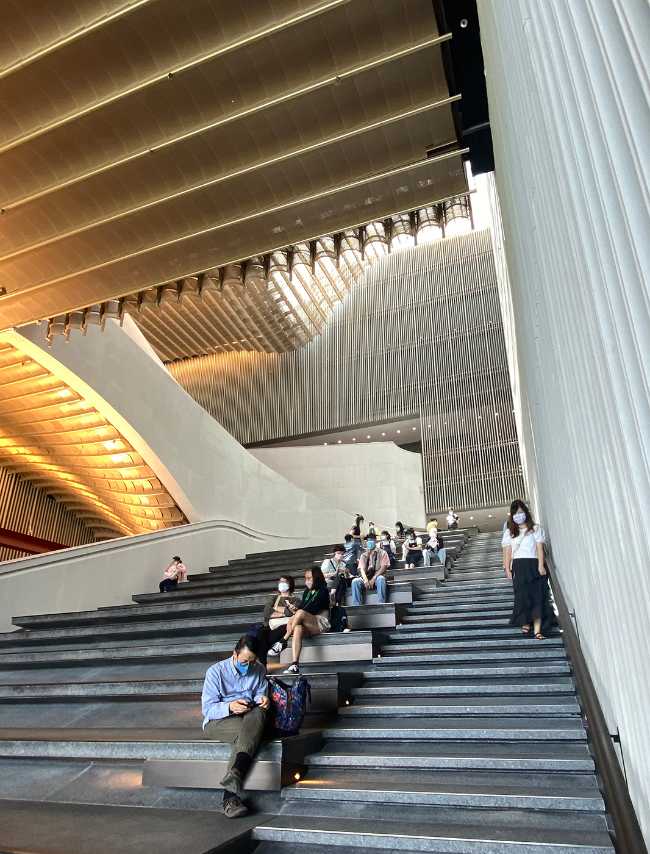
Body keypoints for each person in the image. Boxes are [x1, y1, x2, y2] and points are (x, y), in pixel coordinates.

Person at [201, 634, 269, 818]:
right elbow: (208, 709)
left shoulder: (259, 669)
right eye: (244, 661)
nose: (248, 666)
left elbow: (259, 694)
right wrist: (230, 707)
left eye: (252, 662)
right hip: (219, 721)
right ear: (235, 654)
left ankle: (233, 781)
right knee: (249, 733)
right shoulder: (215, 672)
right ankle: (230, 794)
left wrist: (262, 699)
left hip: (249, 716)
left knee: (259, 713)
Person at [502, 499, 554, 639]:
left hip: (534, 564)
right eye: (515, 514)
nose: (518, 515)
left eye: (520, 512)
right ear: (512, 516)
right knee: (522, 596)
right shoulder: (509, 532)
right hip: (518, 567)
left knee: (537, 596)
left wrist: (541, 565)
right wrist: (507, 568)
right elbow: (507, 552)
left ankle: (537, 631)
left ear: (525, 512)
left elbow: (539, 548)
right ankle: (525, 623)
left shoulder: (535, 529)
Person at [269, 568, 330, 674]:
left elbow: (313, 609)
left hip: (321, 622)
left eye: (309, 578)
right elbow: (303, 607)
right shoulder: (307, 592)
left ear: (316, 578)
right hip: (308, 622)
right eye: (305, 578)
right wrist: (295, 609)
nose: (307, 581)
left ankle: (283, 641)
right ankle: (295, 664)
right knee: (297, 627)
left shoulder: (323, 591)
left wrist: (298, 611)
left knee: (300, 613)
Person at [352, 536, 390, 605]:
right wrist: (366, 580)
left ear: (375, 542)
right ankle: (356, 605)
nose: (369, 542)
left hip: (377, 576)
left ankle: (381, 603)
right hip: (366, 576)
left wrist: (373, 578)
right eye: (368, 541)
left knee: (381, 579)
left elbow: (384, 567)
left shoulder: (382, 553)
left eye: (371, 540)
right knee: (355, 581)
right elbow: (362, 569)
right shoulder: (363, 555)